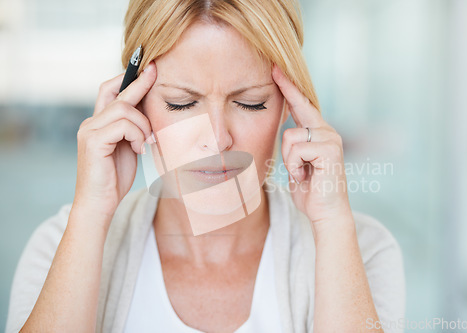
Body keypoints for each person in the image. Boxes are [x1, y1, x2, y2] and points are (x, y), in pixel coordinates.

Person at [6, 0, 405, 332]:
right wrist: (91, 214)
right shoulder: (61, 244)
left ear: (288, 105)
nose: (217, 139)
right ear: (133, 103)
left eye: (250, 103)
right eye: (182, 103)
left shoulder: (361, 251)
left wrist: (333, 226)